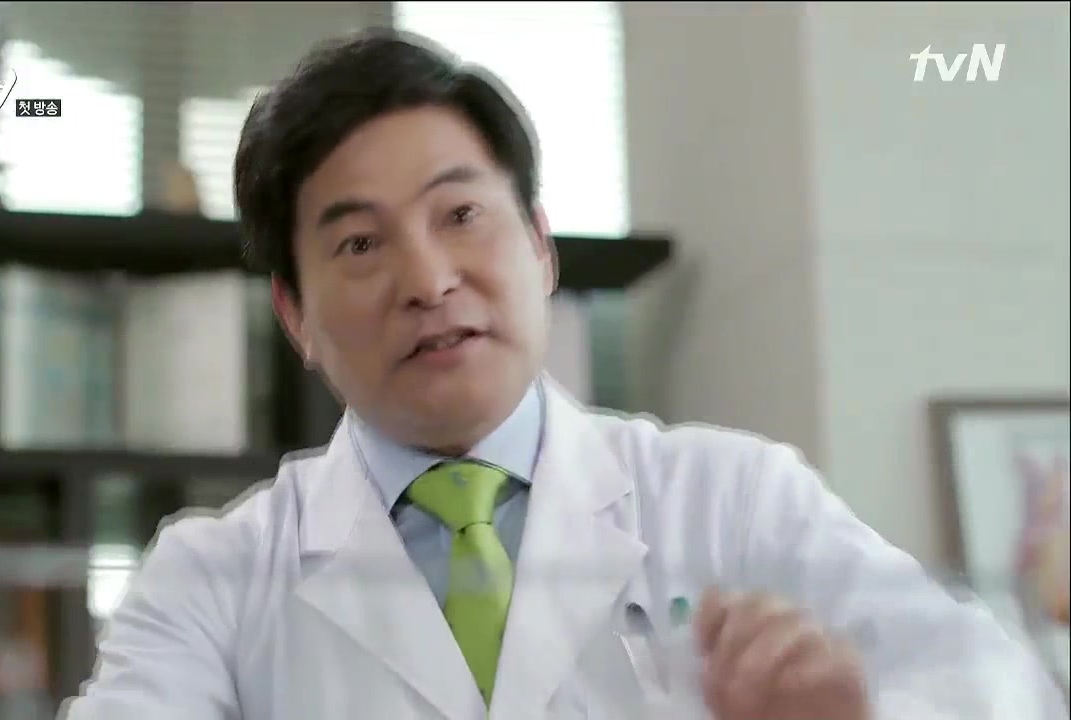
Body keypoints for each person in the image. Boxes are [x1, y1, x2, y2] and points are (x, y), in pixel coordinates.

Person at [60, 28, 1066, 720]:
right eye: (360, 244)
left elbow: (1000, 688)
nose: (428, 280)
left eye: (461, 215)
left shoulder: (732, 498)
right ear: (296, 317)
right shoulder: (213, 577)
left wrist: (863, 711)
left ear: (540, 248)